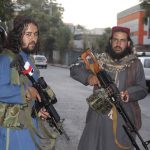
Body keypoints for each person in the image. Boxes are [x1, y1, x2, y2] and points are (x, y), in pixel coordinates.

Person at [70, 26, 148, 150]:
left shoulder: (135, 64)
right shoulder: (99, 60)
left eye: (122, 40)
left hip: (123, 118)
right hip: (98, 116)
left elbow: (142, 89)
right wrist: (89, 78)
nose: (118, 43)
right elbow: (74, 69)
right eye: (115, 40)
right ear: (110, 41)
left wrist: (129, 94)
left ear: (128, 43)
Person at [0, 15, 58, 150]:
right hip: (12, 133)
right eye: (28, 34)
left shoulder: (29, 61)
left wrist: (39, 109)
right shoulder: (5, 59)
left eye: (35, 34)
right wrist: (25, 92)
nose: (33, 39)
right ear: (18, 36)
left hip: (31, 127)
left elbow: (35, 92)